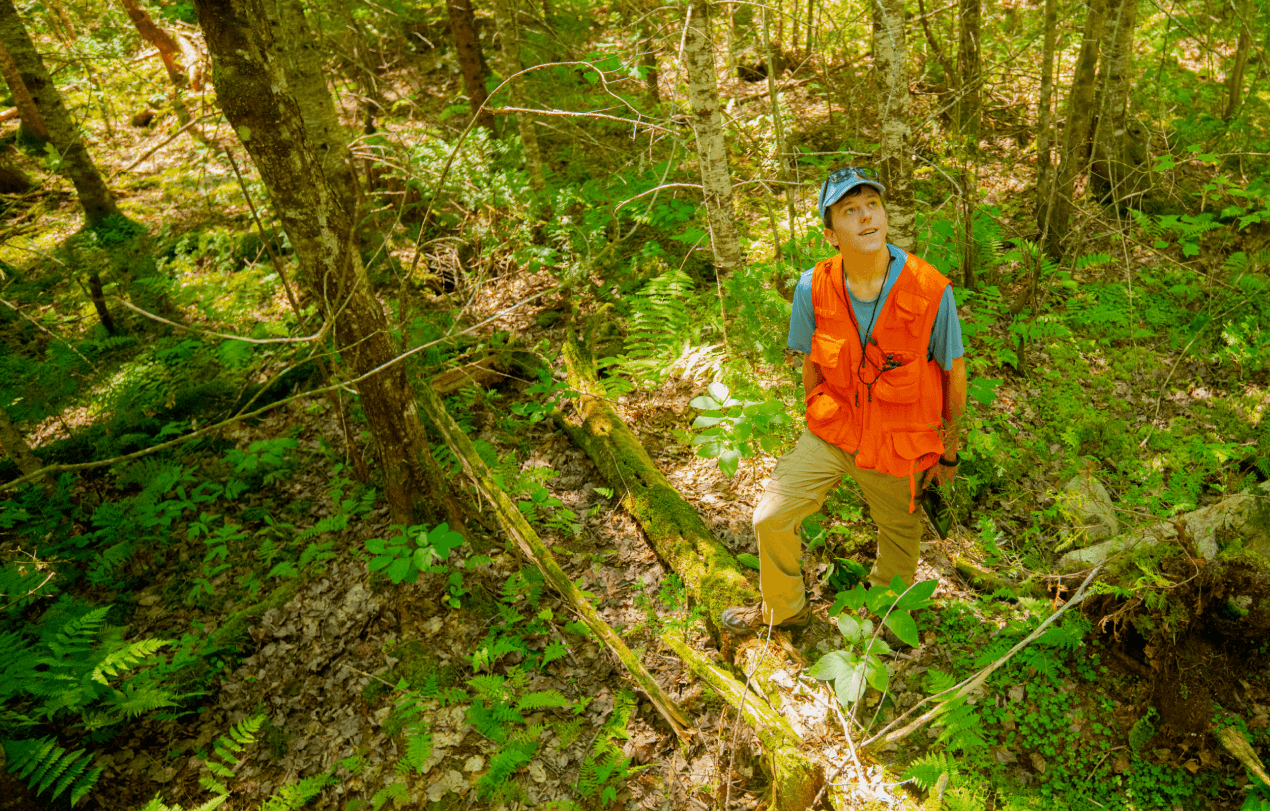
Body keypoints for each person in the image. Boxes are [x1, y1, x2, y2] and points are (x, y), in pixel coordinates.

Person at [721, 167, 967, 635]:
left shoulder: (931, 288)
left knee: (900, 535)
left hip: (899, 442)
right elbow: (811, 363)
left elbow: (955, 376)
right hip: (834, 431)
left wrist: (950, 453)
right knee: (770, 517)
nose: (865, 216)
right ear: (832, 233)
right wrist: (816, 410)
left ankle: (884, 622)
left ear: (885, 215)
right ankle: (785, 611)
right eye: (850, 211)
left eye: (872, 205)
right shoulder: (811, 286)